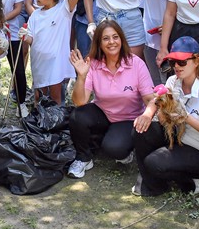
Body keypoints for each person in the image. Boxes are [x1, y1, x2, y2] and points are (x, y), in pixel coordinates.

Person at [131, 37, 199, 197]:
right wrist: (147, 114)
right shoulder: (173, 81)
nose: (176, 66)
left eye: (182, 62)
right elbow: (157, 99)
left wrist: (186, 118)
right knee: (141, 130)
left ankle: (197, 179)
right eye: (172, 62)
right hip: (181, 138)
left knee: (154, 162)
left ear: (196, 61)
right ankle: (152, 184)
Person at [66, 20, 155, 178]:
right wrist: (81, 76)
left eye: (115, 37)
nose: (111, 42)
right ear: (99, 43)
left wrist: (147, 115)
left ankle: (123, 146)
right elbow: (80, 101)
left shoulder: (136, 63)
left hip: (128, 119)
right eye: (106, 38)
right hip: (104, 113)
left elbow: (150, 98)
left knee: (115, 149)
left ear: (121, 39)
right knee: (77, 116)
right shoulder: (93, 64)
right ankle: (84, 158)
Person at [19, 0, 87, 105]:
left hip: (56, 62)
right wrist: (24, 37)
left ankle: (57, 124)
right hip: (39, 61)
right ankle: (40, 122)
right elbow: (31, 38)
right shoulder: (35, 15)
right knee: (39, 95)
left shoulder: (63, 10)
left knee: (56, 95)